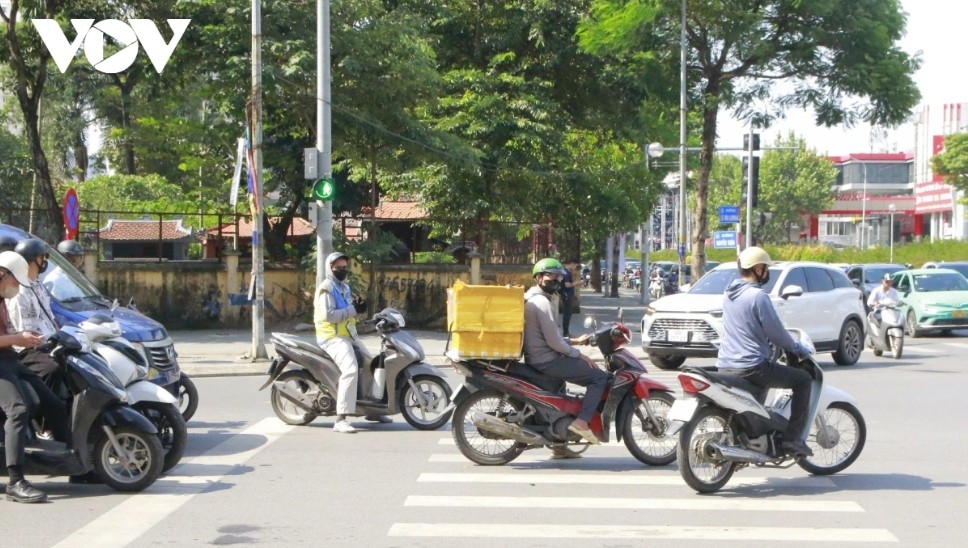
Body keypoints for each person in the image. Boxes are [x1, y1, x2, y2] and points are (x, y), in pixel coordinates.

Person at [715, 246, 814, 457]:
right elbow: (776, 332)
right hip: (751, 366)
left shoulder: (728, 293)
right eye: (766, 268)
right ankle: (792, 440)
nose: (767, 272)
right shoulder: (758, 296)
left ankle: (749, 441)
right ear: (757, 268)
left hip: (725, 364)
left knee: (756, 398)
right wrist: (797, 348)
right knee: (803, 380)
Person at [523, 258, 611, 451]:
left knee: (562, 393)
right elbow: (554, 342)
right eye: (551, 276)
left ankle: (560, 447)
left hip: (540, 356)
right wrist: (578, 354)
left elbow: (550, 336)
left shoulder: (532, 297)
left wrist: (574, 340)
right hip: (547, 360)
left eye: (558, 277)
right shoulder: (541, 303)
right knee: (598, 377)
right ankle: (582, 421)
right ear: (538, 277)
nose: (556, 280)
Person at [314, 252, 387, 433]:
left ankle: (372, 411)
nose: (343, 270)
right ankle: (341, 418)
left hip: (348, 336)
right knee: (351, 370)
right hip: (332, 337)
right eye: (339, 268)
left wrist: (358, 309)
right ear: (330, 268)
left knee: (373, 365)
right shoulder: (326, 289)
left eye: (345, 267)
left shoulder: (344, 288)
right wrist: (352, 309)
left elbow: (349, 311)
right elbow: (329, 316)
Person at [6, 239, 70, 444]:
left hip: (47, 343)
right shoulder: (18, 291)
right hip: (26, 349)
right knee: (52, 368)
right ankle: (44, 422)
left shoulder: (38, 286)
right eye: (43, 257)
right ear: (33, 260)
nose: (45, 262)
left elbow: (49, 318)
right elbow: (24, 332)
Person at [0, 251, 49, 503]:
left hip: (8, 358)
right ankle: (16, 481)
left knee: (47, 396)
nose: (18, 286)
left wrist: (23, 337)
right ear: (3, 275)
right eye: (15, 281)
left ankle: (81, 462)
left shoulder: (1, 299)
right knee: (17, 409)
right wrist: (19, 339)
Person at [559, 258, 583, 337]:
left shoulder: (568, 271)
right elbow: (567, 284)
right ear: (572, 263)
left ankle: (566, 332)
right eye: (576, 265)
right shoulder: (565, 272)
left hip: (568, 294)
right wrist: (577, 282)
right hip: (566, 294)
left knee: (568, 314)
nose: (576, 267)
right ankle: (566, 333)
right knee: (567, 314)